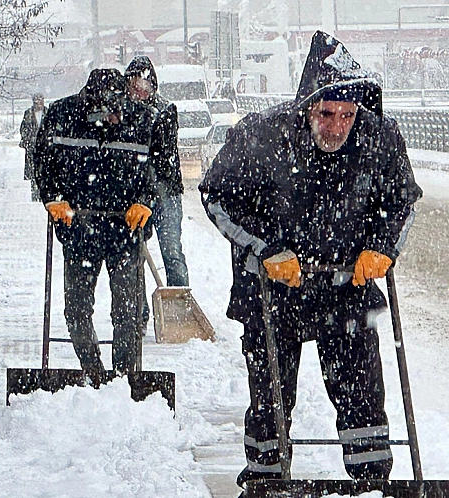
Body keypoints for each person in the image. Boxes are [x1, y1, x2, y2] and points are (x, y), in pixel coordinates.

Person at [199, 31, 422, 494]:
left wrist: (382, 247)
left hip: (348, 287)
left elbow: (403, 199)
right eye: (327, 113)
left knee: (362, 392)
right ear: (307, 107)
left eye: (347, 115)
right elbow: (216, 196)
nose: (337, 125)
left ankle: (372, 482)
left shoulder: (380, 139)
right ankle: (264, 478)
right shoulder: (262, 136)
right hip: (272, 291)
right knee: (272, 396)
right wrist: (265, 251)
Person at [34, 68, 156, 381]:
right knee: (76, 310)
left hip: (124, 231)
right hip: (78, 230)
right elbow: (43, 163)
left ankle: (125, 376)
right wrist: (53, 197)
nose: (115, 119)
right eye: (109, 112)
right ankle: (93, 371)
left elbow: (156, 170)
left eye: (118, 111)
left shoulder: (141, 120)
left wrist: (145, 200)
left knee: (128, 313)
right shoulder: (61, 115)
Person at [125, 56, 189, 334]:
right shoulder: (125, 112)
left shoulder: (164, 111)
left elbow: (161, 156)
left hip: (165, 194)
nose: (137, 89)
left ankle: (181, 314)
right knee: (135, 254)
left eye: (142, 83)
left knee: (171, 252)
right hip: (137, 196)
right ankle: (138, 317)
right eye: (133, 83)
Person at [20, 93, 47, 201]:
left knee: (45, 171)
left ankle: (43, 194)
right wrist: (28, 140)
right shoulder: (28, 114)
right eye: (36, 100)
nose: (38, 103)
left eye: (40, 100)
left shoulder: (48, 112)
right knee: (33, 170)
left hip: (45, 148)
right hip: (32, 147)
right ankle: (35, 194)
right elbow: (23, 129)